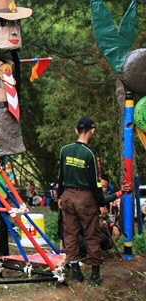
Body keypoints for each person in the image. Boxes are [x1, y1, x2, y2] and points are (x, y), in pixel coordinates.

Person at [57, 117, 106, 285]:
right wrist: (101, 203)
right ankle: (94, 275)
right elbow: (95, 183)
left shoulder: (65, 150)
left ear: (76, 130)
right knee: (92, 234)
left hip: (67, 196)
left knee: (70, 234)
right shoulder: (89, 154)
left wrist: (59, 196)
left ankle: (76, 271)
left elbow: (60, 177)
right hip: (85, 198)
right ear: (91, 131)